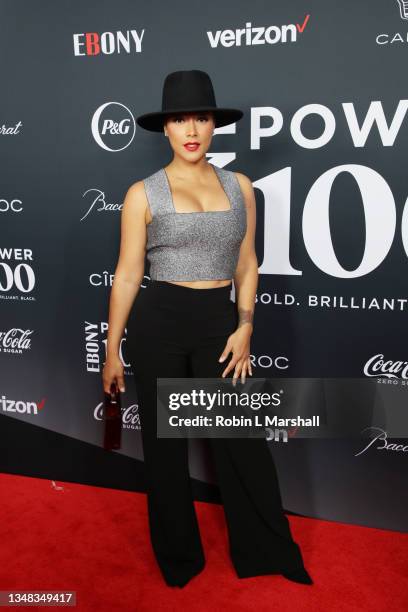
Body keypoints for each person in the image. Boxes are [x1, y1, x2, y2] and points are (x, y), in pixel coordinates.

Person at [103, 69, 313, 588]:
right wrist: (112, 350)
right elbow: (129, 274)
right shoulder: (142, 194)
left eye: (201, 117)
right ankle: (179, 559)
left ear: (215, 125)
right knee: (165, 450)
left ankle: (267, 549)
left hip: (220, 321)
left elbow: (247, 263)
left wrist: (245, 325)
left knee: (242, 443)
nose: (191, 128)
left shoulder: (239, 186)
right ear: (166, 129)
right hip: (161, 324)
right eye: (180, 119)